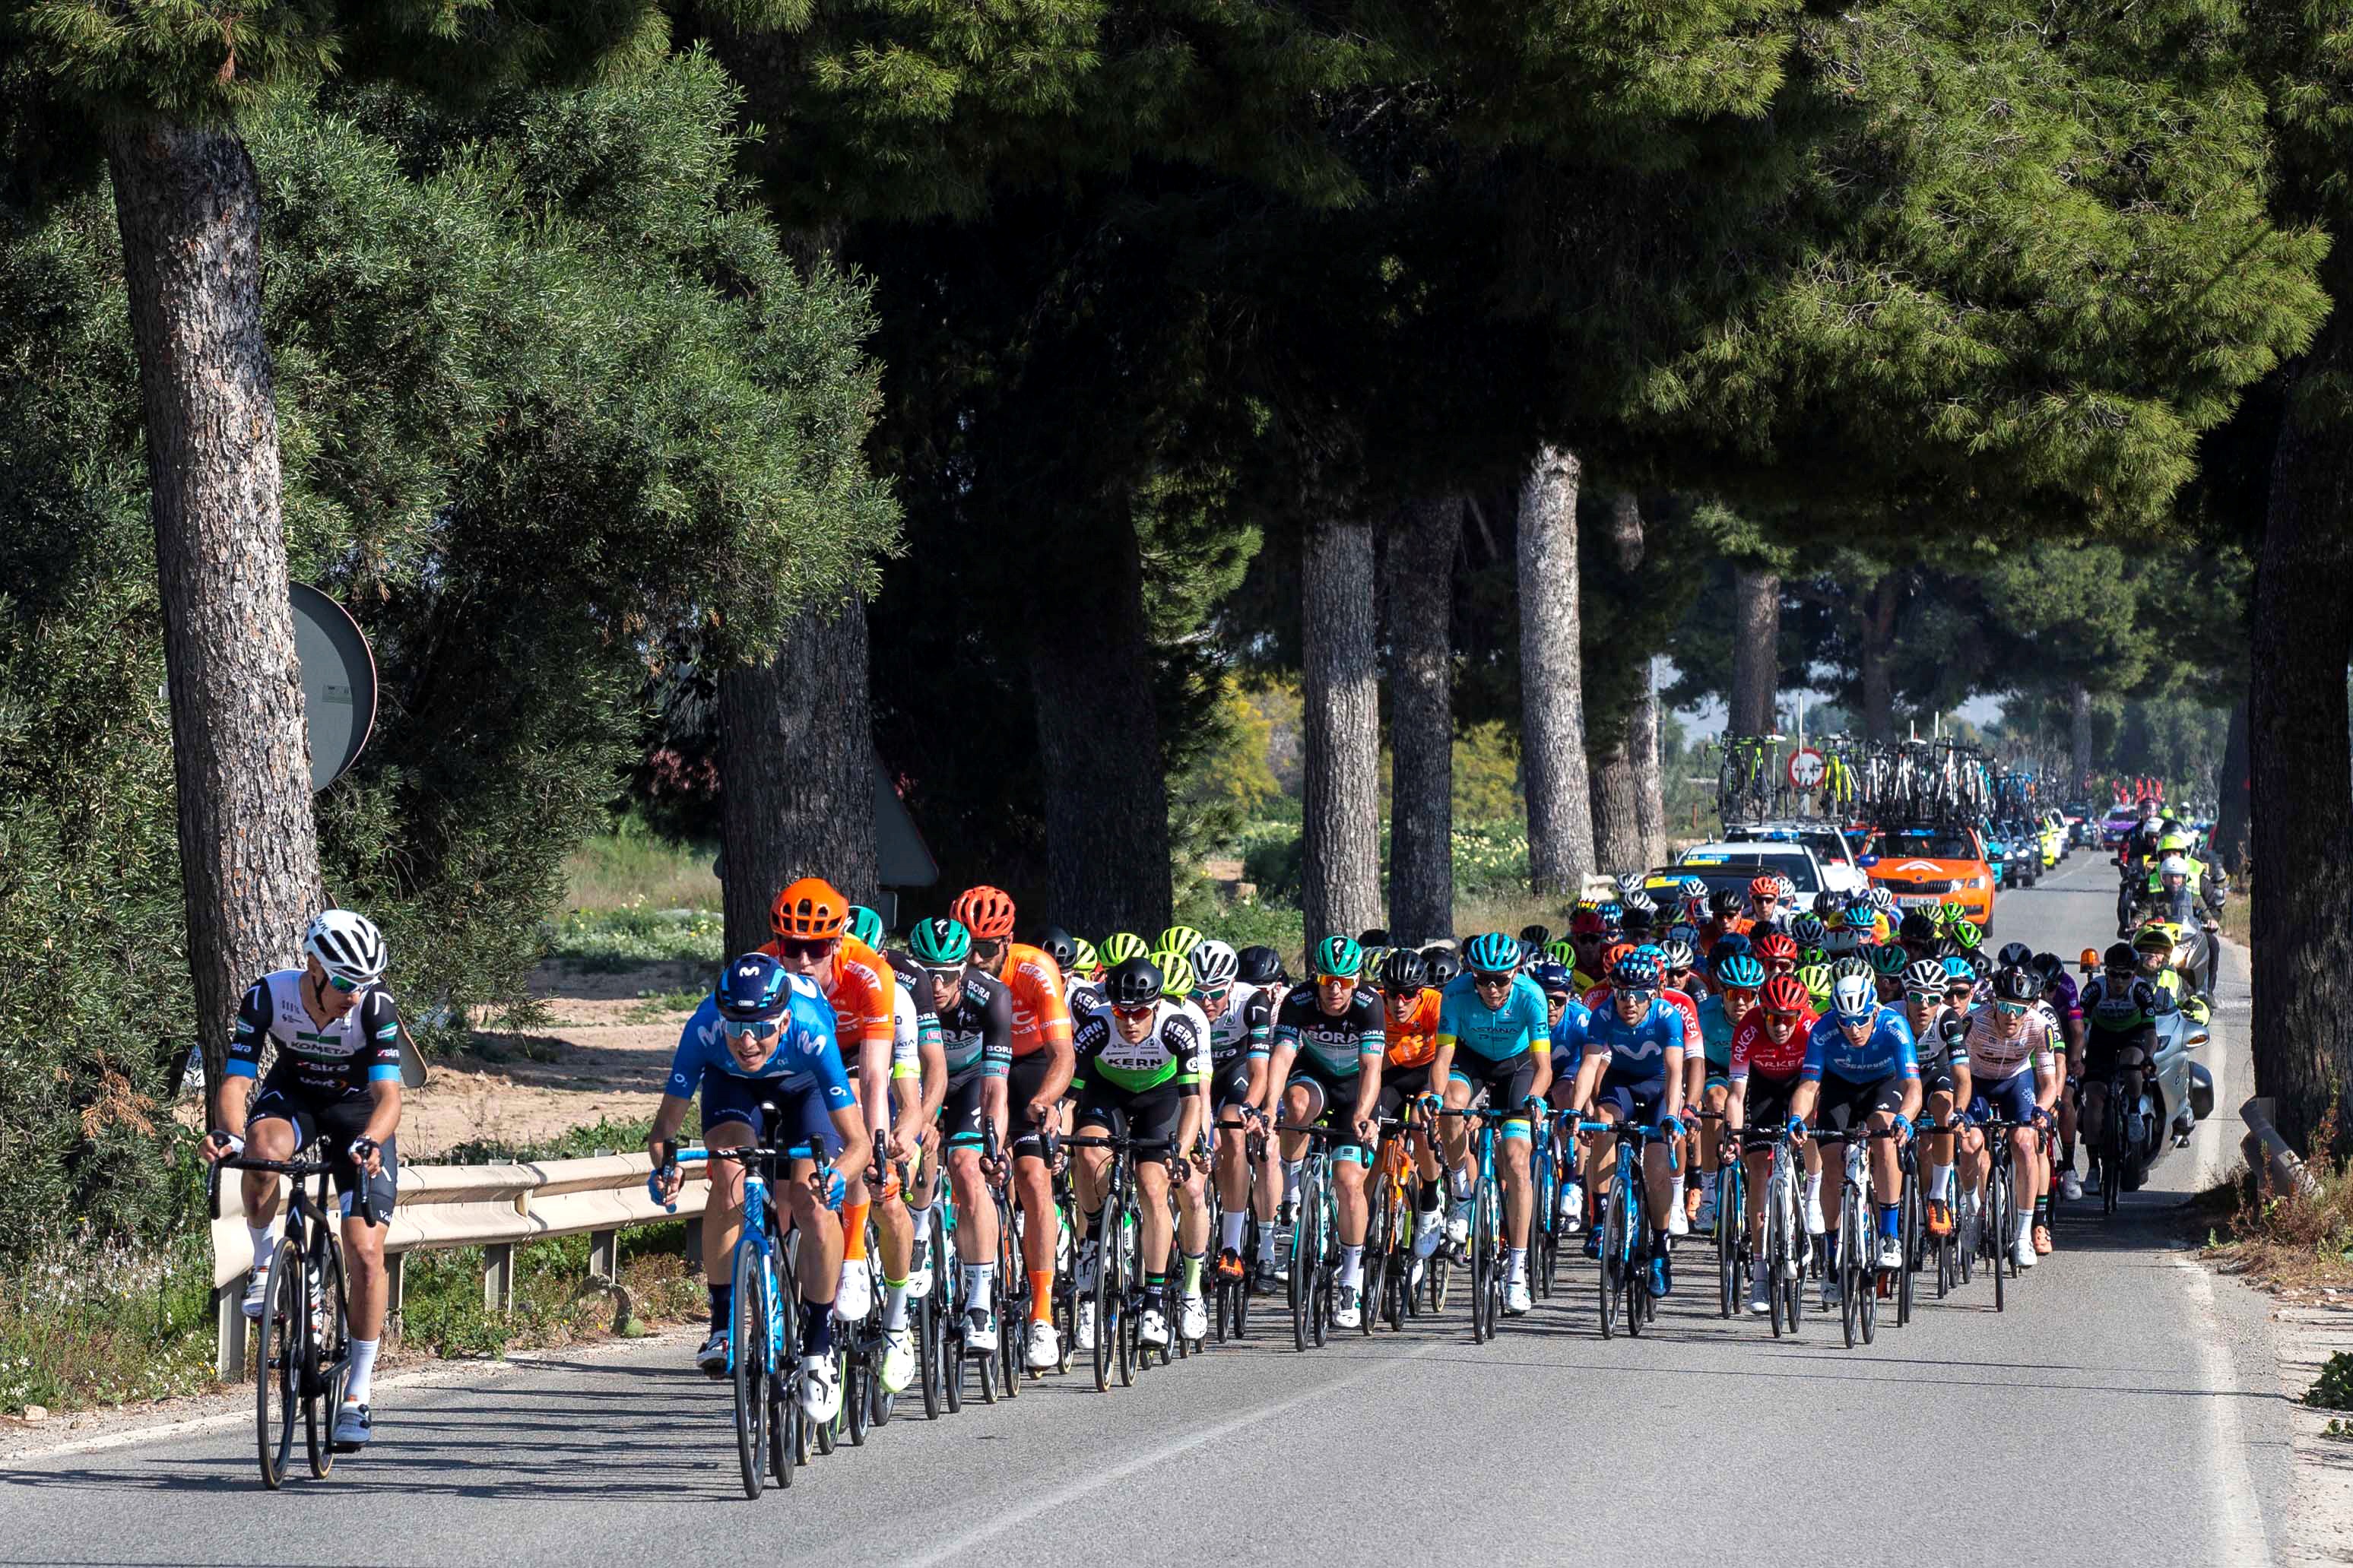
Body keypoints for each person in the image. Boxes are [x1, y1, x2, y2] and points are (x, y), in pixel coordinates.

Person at [200, 911, 404, 1448]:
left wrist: (370, 1141)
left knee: (364, 1252)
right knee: (262, 1151)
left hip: (360, 1116)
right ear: (312, 967)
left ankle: (358, 1393)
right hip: (295, 1099)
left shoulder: (375, 1008)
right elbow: (237, 1079)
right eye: (342, 982)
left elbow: (389, 1097)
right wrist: (229, 1135)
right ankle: (266, 1259)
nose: (353, 995)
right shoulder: (269, 995)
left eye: (362, 983)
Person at [645, 951, 870, 1422]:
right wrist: (666, 1166)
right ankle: (724, 1322)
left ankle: (819, 1345)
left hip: (803, 1085)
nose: (747, 1041)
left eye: (762, 1029)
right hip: (733, 1088)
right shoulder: (704, 1028)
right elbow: (665, 1128)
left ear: (784, 1020)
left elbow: (858, 1144)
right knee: (727, 1171)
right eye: (736, 1028)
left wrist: (837, 1175)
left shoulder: (811, 1029)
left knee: (813, 1203)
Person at [759, 878, 899, 1333]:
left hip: (852, 1057)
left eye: (817, 949)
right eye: (791, 946)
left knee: (855, 1111)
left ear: (838, 941)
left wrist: (878, 1146)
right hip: (797, 1063)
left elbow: (877, 1075)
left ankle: (855, 1253)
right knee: (783, 1194)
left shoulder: (869, 972)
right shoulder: (765, 967)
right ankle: (774, 1289)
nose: (802, 961)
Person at [951, 885, 1077, 1370]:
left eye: (986, 949)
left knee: (1032, 1179)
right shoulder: (948, 975)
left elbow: (1062, 1054)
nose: (976, 960)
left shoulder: (1034, 969)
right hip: (972, 1071)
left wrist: (1047, 1100)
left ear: (1007, 943)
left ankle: (1042, 1317)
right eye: (969, 948)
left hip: (1027, 1069)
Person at [1069, 958, 1209, 1352]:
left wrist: (1180, 1154)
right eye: (1121, 1011)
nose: (1130, 1021)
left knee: (1152, 1185)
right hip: (1107, 1093)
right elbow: (1071, 1094)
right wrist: (1059, 1137)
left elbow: (1193, 1102)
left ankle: (1154, 1302)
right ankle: (1095, 1235)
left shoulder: (1177, 1028)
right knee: (1088, 1150)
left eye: (1140, 1012)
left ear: (1157, 1005)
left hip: (1160, 1100)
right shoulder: (1096, 1026)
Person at [1265, 936, 1386, 1328]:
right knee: (1295, 1106)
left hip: (1355, 1089)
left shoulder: (1371, 1004)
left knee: (1349, 1181)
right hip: (1314, 1077)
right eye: (1328, 980)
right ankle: (1292, 1193)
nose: (1336, 989)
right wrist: (1269, 1107)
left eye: (1345, 981)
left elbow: (1371, 1067)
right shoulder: (1297, 1001)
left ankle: (1351, 1275)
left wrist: (1365, 1114)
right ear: (1315, 978)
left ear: (1356, 981)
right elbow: (1282, 1057)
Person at [1432, 932, 1555, 1313]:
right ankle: (1461, 1193)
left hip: (1517, 1069)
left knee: (1517, 1163)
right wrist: (1435, 1099)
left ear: (1516, 973)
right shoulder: (1455, 993)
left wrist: (1535, 1097)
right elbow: (1442, 1059)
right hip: (1472, 1062)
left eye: (1501, 979)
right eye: (1482, 977)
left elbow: (1543, 1067)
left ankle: (1517, 1273)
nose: (1491, 988)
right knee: (1451, 1105)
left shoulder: (1531, 995)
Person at [908, 918, 1013, 1354]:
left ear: (964, 967)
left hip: (972, 1079)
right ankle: (916, 1236)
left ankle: (979, 1302)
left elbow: (995, 1087)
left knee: (967, 1167)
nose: (936, 985)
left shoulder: (992, 996)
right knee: (913, 1153)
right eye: (927, 972)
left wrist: (992, 1145)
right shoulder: (905, 990)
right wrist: (918, 1122)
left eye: (947, 975)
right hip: (916, 1076)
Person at [1790, 973, 1920, 1302]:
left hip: (1882, 1086)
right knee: (1832, 1165)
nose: (1854, 1029)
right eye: (1846, 1021)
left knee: (1884, 1132)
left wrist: (1904, 1118)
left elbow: (1912, 1087)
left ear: (1874, 1011)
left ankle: (1889, 1235)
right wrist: (1796, 1118)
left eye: (1861, 1020)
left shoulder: (1894, 1025)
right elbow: (1808, 1087)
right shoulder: (1823, 1029)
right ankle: (1833, 1253)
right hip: (1840, 1089)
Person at [1725, 972, 1819, 1313]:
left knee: (1810, 1122)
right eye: (1772, 1018)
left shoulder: (1812, 1027)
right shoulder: (1747, 1028)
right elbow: (1736, 1095)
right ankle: (1761, 1271)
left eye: (1787, 1018)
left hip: (1802, 1083)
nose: (1780, 1026)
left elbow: (1818, 1084)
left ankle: (1812, 1195)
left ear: (1799, 1015)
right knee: (1756, 1170)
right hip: (1763, 1087)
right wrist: (1733, 1136)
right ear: (1761, 1012)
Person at [1955, 967, 2061, 1265]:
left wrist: (2041, 1109)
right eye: (2004, 1007)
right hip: (1976, 1081)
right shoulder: (1973, 1023)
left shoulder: (2040, 1027)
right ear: (1993, 1004)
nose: (2011, 1016)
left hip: (2017, 1082)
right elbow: (1957, 1074)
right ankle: (1972, 1208)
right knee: (1969, 1142)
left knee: (2026, 1142)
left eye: (2018, 1009)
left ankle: (2024, 1235)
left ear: (2029, 1007)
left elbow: (2049, 1083)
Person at [1375, 948, 1451, 1264]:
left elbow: (1449, 1057)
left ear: (1421, 992)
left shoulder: (1436, 1004)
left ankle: (1431, 1197)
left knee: (1421, 1123)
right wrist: (1395, 1055)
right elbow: (1364, 1067)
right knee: (1375, 1129)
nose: (1400, 1002)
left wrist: (1435, 1096)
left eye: (1408, 995)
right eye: (1393, 994)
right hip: (1388, 1072)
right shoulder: (1375, 1006)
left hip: (1426, 1073)